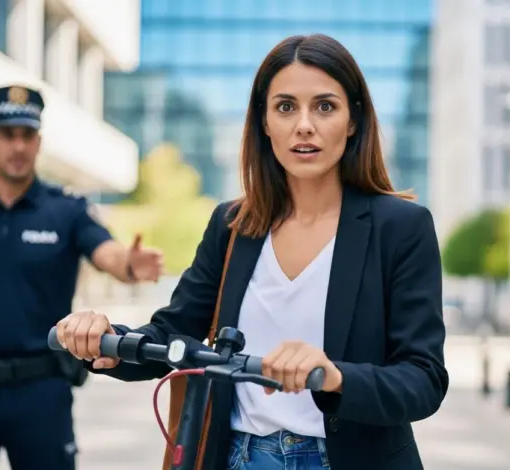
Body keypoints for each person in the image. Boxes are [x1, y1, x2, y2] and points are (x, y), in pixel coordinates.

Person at [57, 33, 448, 469]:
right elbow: (172, 333)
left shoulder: (401, 227)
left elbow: (423, 379)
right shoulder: (233, 225)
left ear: (353, 120)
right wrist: (105, 338)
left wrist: (335, 377)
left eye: (325, 106)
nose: (304, 124)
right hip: (238, 457)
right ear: (264, 122)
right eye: (285, 107)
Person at [0, 84, 164, 470]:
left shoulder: (67, 210)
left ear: (38, 142)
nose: (17, 146)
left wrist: (130, 264)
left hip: (41, 393)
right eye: (6, 135)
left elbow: (107, 253)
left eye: (27, 135)